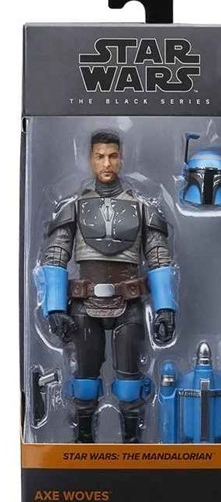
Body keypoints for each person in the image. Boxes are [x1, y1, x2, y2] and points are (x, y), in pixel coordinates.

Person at [38, 129, 177, 443]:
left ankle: (132, 443)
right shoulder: (74, 207)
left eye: (113, 156)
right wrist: (55, 308)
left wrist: (165, 308)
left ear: (122, 158)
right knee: (84, 382)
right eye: (100, 156)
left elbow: (158, 257)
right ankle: (84, 440)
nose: (107, 163)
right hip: (84, 306)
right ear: (90, 159)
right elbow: (55, 255)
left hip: (129, 305)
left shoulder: (142, 207)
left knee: (130, 385)